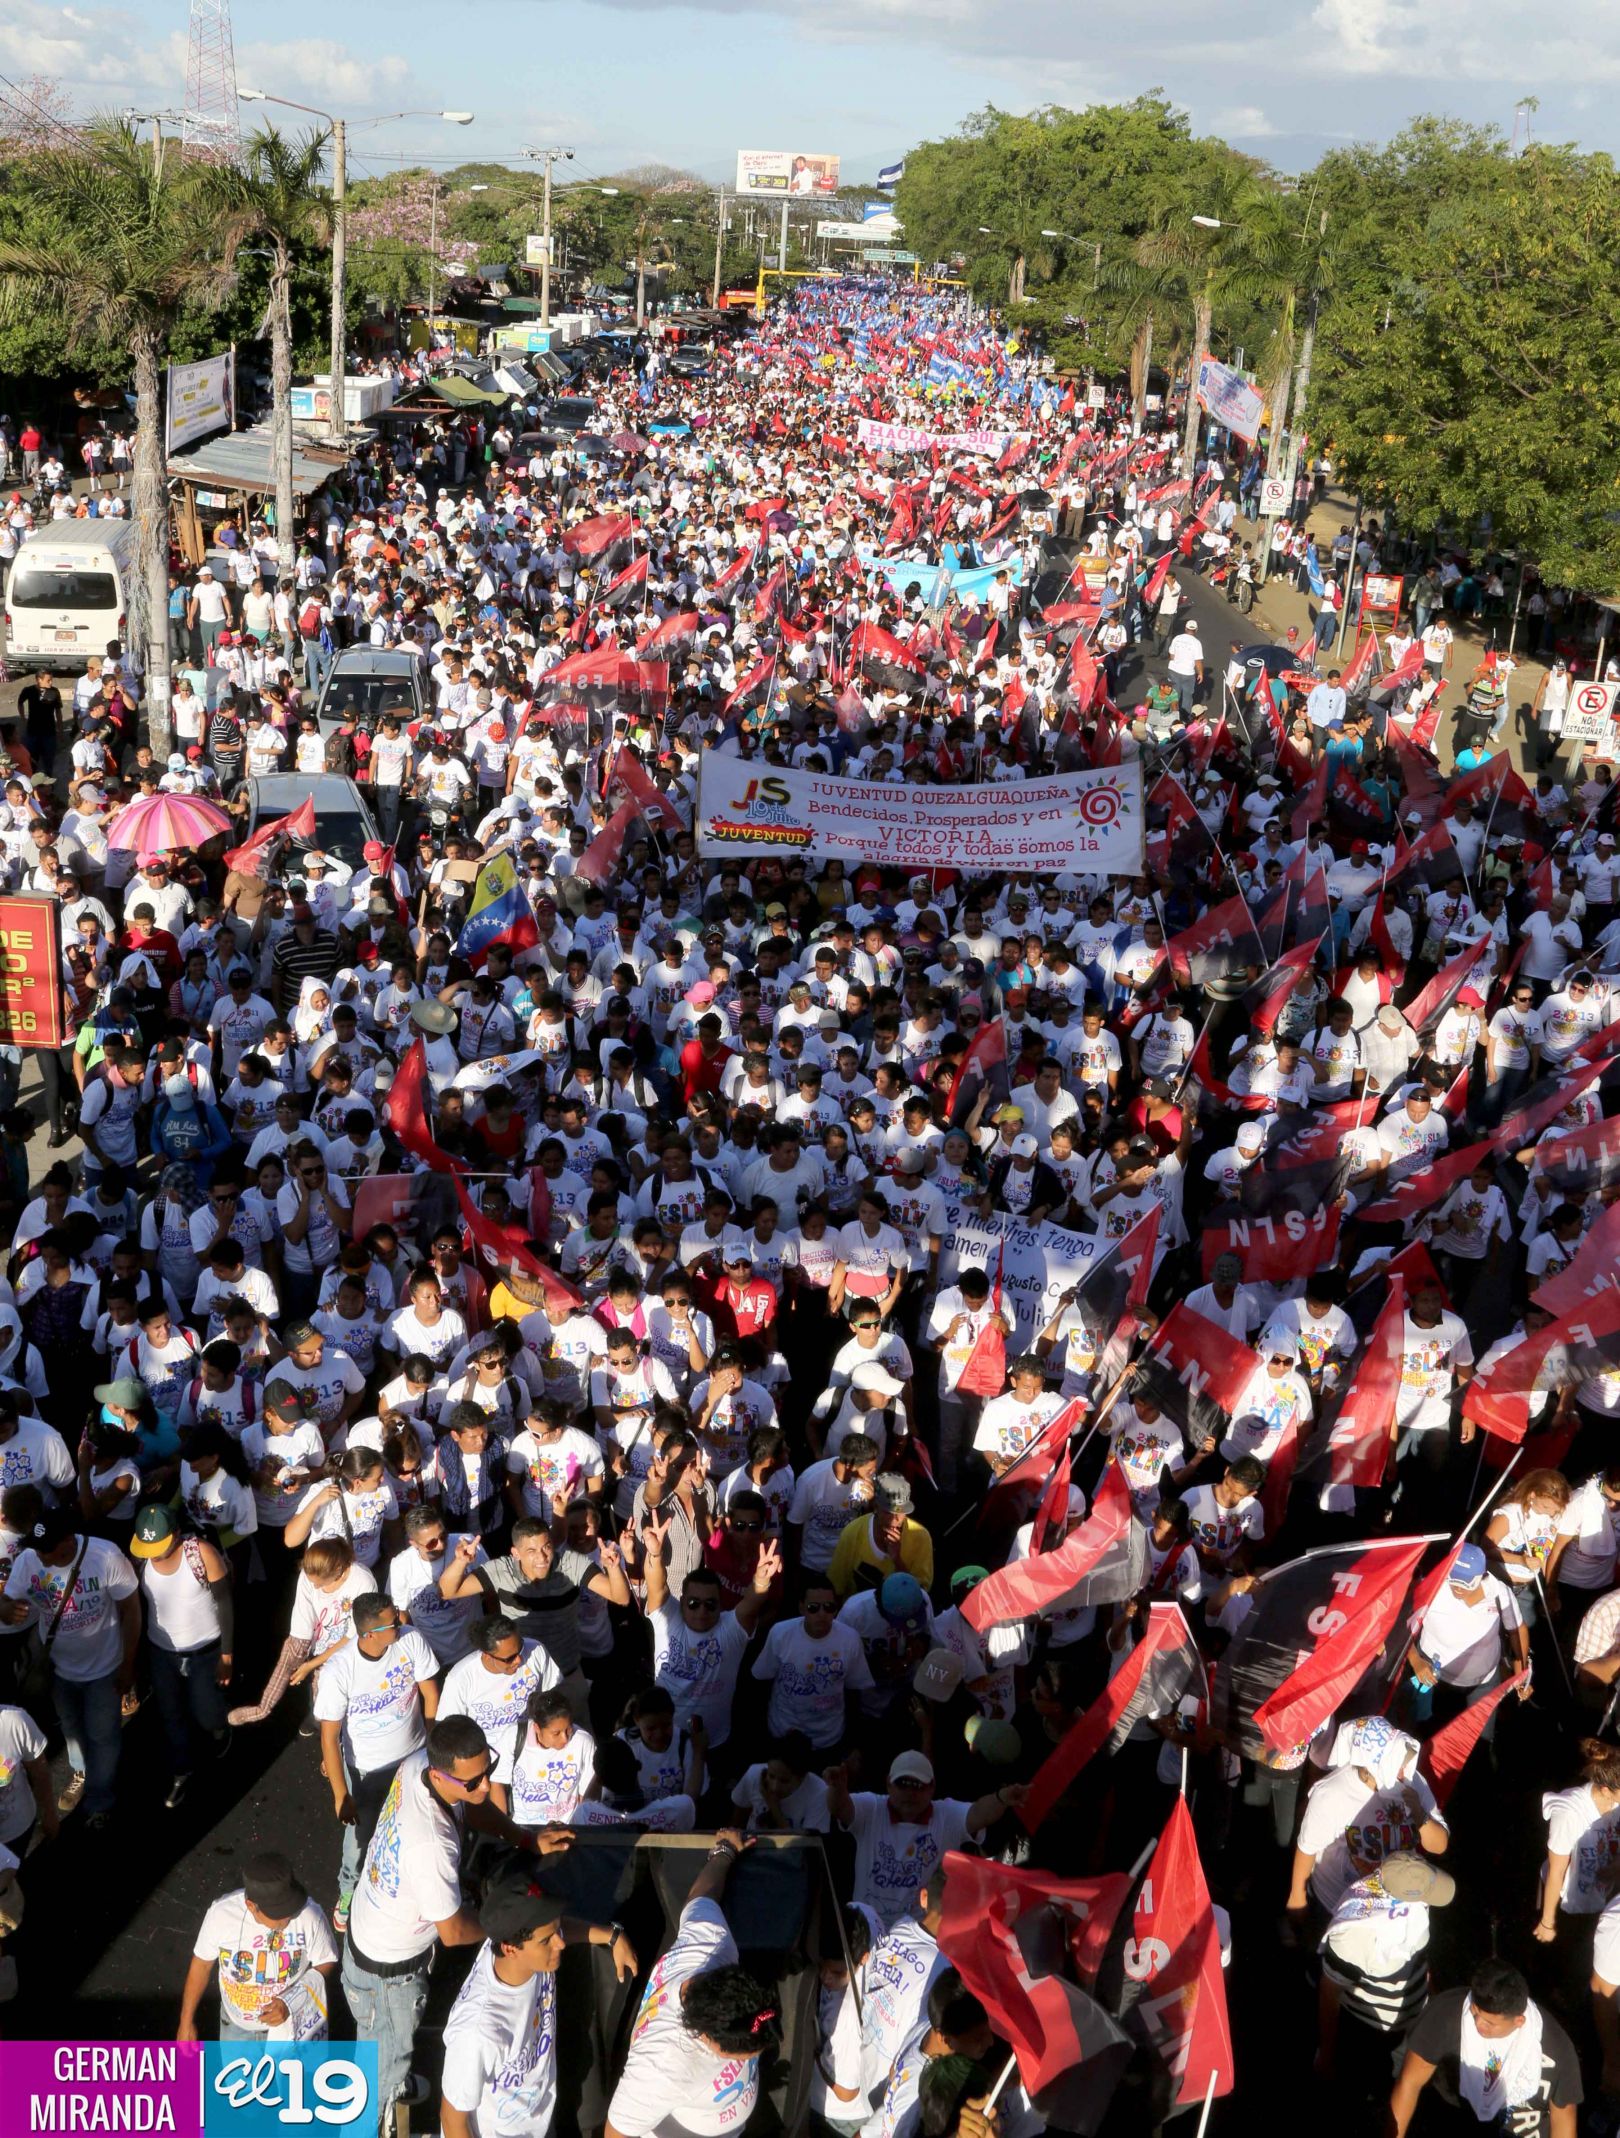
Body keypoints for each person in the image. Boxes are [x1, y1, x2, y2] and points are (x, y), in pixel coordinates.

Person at [440, 1852, 637, 2138]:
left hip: (537, 2122)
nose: (560, 1943)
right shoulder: (477, 2031)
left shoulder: (526, 1951)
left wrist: (611, 1936)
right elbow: (452, 2119)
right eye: (547, 1940)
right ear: (510, 1948)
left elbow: (555, 1930)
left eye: (556, 1930)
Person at [604, 1828, 781, 2138]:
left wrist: (725, 1851)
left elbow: (701, 1897)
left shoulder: (712, 1945)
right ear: (707, 2038)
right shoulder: (660, 2068)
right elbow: (616, 2133)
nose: (752, 2058)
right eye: (740, 2056)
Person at [1389, 1959, 1581, 2136]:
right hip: (1455, 2115)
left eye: (1490, 2023)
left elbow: (1563, 2120)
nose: (1478, 2024)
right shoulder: (1445, 2014)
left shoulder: (1556, 2048)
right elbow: (1409, 2082)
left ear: (1518, 2021)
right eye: (1475, 2013)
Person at [178, 1851, 339, 2042]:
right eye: (278, 1912)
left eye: (290, 1906)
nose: (288, 1916)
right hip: (237, 2030)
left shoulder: (310, 1915)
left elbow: (327, 1960)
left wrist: (291, 2002)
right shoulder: (220, 1915)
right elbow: (202, 1965)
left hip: (292, 2026)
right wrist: (186, 2021)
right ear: (251, 1905)